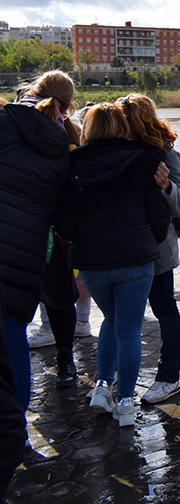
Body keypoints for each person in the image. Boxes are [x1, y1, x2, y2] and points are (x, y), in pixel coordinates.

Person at [63, 103, 172, 427]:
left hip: (92, 260)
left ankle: (101, 386)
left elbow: (65, 223)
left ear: (88, 127)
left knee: (110, 320)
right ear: (121, 126)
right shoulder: (144, 159)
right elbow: (159, 215)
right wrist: (147, 240)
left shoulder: (71, 165)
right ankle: (125, 401)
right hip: (134, 256)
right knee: (129, 330)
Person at [0, 70, 71, 471]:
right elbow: (63, 216)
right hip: (25, 255)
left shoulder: (4, 120)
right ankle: (18, 437)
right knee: (14, 340)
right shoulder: (62, 146)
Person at [118, 94, 180, 404]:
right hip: (122, 247)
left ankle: (168, 378)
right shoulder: (113, 152)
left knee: (164, 310)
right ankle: (116, 378)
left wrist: (167, 186)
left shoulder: (167, 156)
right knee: (122, 317)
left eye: (125, 120)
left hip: (157, 250)